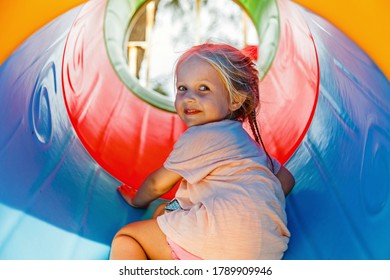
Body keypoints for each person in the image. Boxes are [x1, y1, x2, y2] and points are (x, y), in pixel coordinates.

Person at [110, 43, 295, 260]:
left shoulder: (200, 136)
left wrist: (136, 200)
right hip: (266, 250)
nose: (189, 97)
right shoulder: (249, 147)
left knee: (128, 238)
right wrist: (255, 203)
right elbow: (287, 179)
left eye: (204, 88)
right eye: (182, 88)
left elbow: (156, 184)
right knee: (165, 213)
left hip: (217, 240)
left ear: (235, 99)